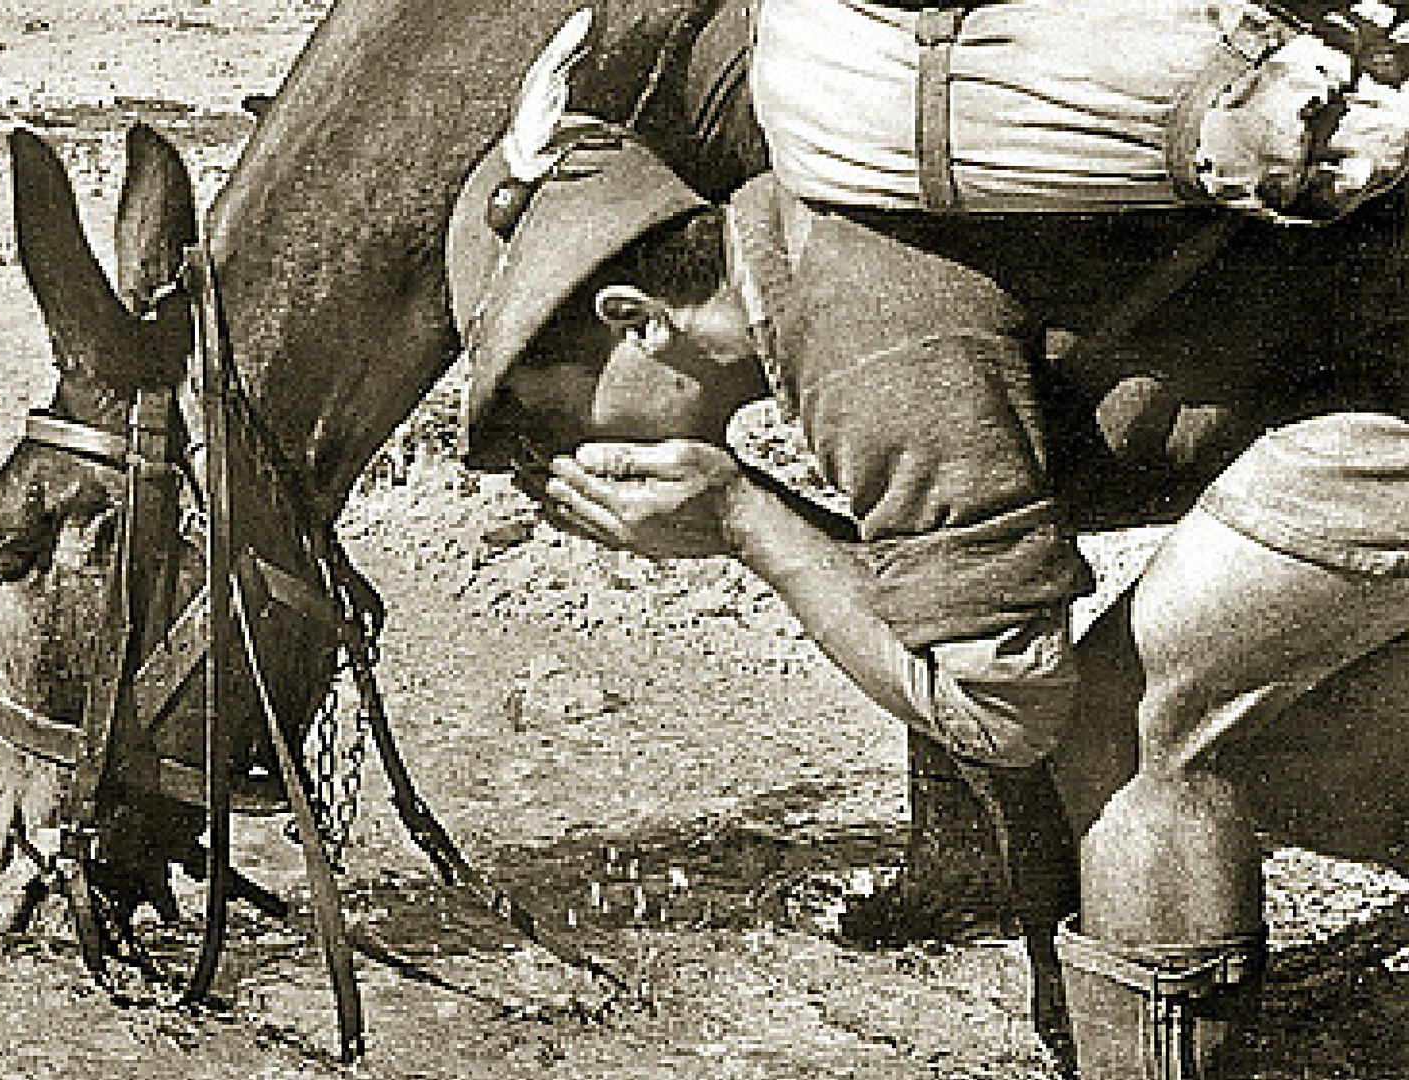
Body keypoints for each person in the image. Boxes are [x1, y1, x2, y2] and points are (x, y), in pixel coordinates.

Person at [449, 6, 1409, 1074]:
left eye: (545, 419)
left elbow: (1007, 709)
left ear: (636, 319)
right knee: (1284, 754)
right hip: (1354, 367)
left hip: (1379, 401)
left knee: (1131, 731)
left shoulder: (857, 335)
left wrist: (742, 520)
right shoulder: (806, 234)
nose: (558, 458)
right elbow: (942, 598)